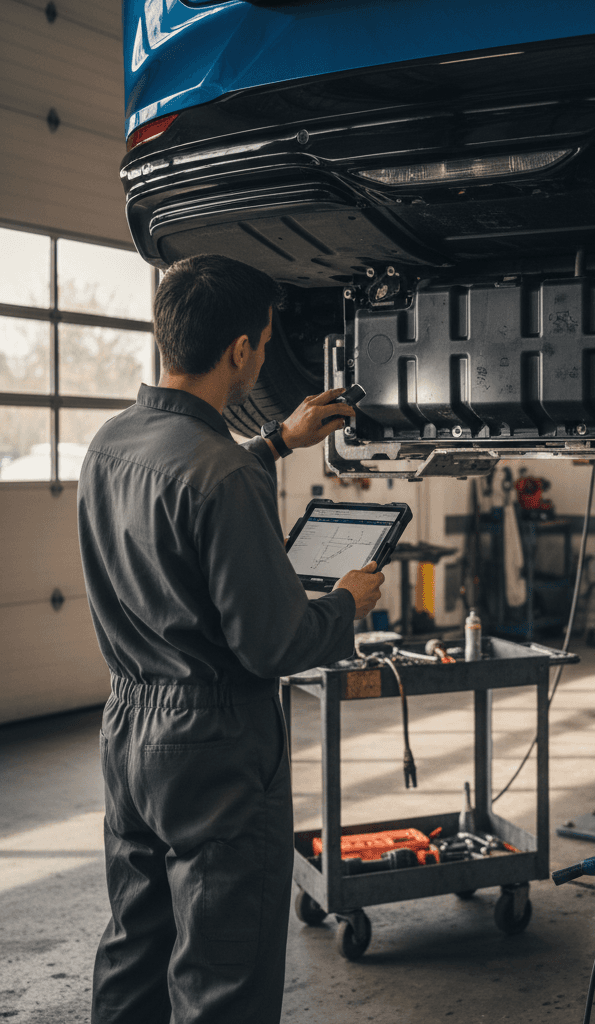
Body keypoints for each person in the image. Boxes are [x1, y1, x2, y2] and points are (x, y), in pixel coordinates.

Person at [77, 254, 384, 1024]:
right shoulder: (224, 476)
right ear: (242, 351)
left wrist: (278, 440)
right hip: (214, 743)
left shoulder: (111, 443)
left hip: (128, 729)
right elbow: (272, 644)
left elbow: (184, 496)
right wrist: (346, 604)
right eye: (264, 341)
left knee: (134, 944)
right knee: (224, 968)